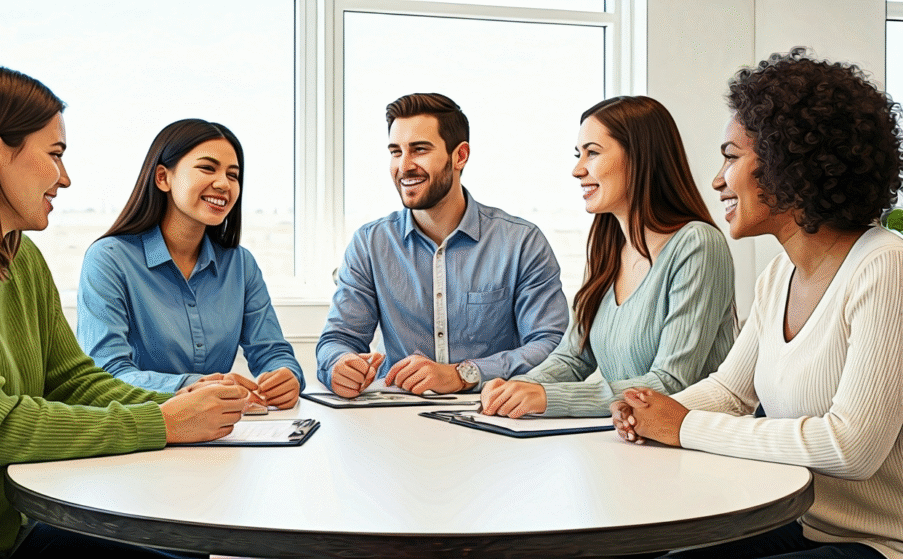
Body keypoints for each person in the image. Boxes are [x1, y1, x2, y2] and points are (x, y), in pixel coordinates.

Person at [0, 60, 249, 559]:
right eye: (54, 154)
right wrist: (163, 424)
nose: (66, 178)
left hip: (13, 531)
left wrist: (176, 410)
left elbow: (74, 380)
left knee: (182, 553)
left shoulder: (19, 255)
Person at [612, 48, 903, 559]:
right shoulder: (779, 276)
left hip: (881, 544)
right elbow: (730, 390)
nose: (717, 180)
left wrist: (684, 426)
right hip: (806, 523)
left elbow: (850, 447)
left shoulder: (885, 266)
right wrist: (644, 411)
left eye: (731, 156)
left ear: (789, 162)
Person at [479, 96, 736, 418]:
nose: (577, 169)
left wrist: (547, 397)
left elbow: (671, 383)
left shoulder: (698, 245)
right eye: (578, 155)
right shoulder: (608, 250)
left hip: (694, 448)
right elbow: (573, 358)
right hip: (628, 441)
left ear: (639, 157)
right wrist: (516, 388)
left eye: (593, 152)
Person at [315, 93, 569, 397]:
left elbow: (552, 348)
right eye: (396, 152)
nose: (404, 166)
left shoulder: (521, 242)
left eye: (419, 150)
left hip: (493, 417)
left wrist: (463, 374)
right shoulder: (370, 244)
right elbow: (337, 339)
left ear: (459, 156)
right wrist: (340, 364)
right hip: (394, 420)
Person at [77, 119, 303, 408]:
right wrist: (189, 386)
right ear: (163, 177)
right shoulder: (109, 260)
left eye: (233, 175)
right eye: (207, 168)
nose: (223, 184)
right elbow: (106, 374)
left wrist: (286, 376)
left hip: (223, 435)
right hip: (142, 432)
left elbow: (272, 353)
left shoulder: (240, 264)